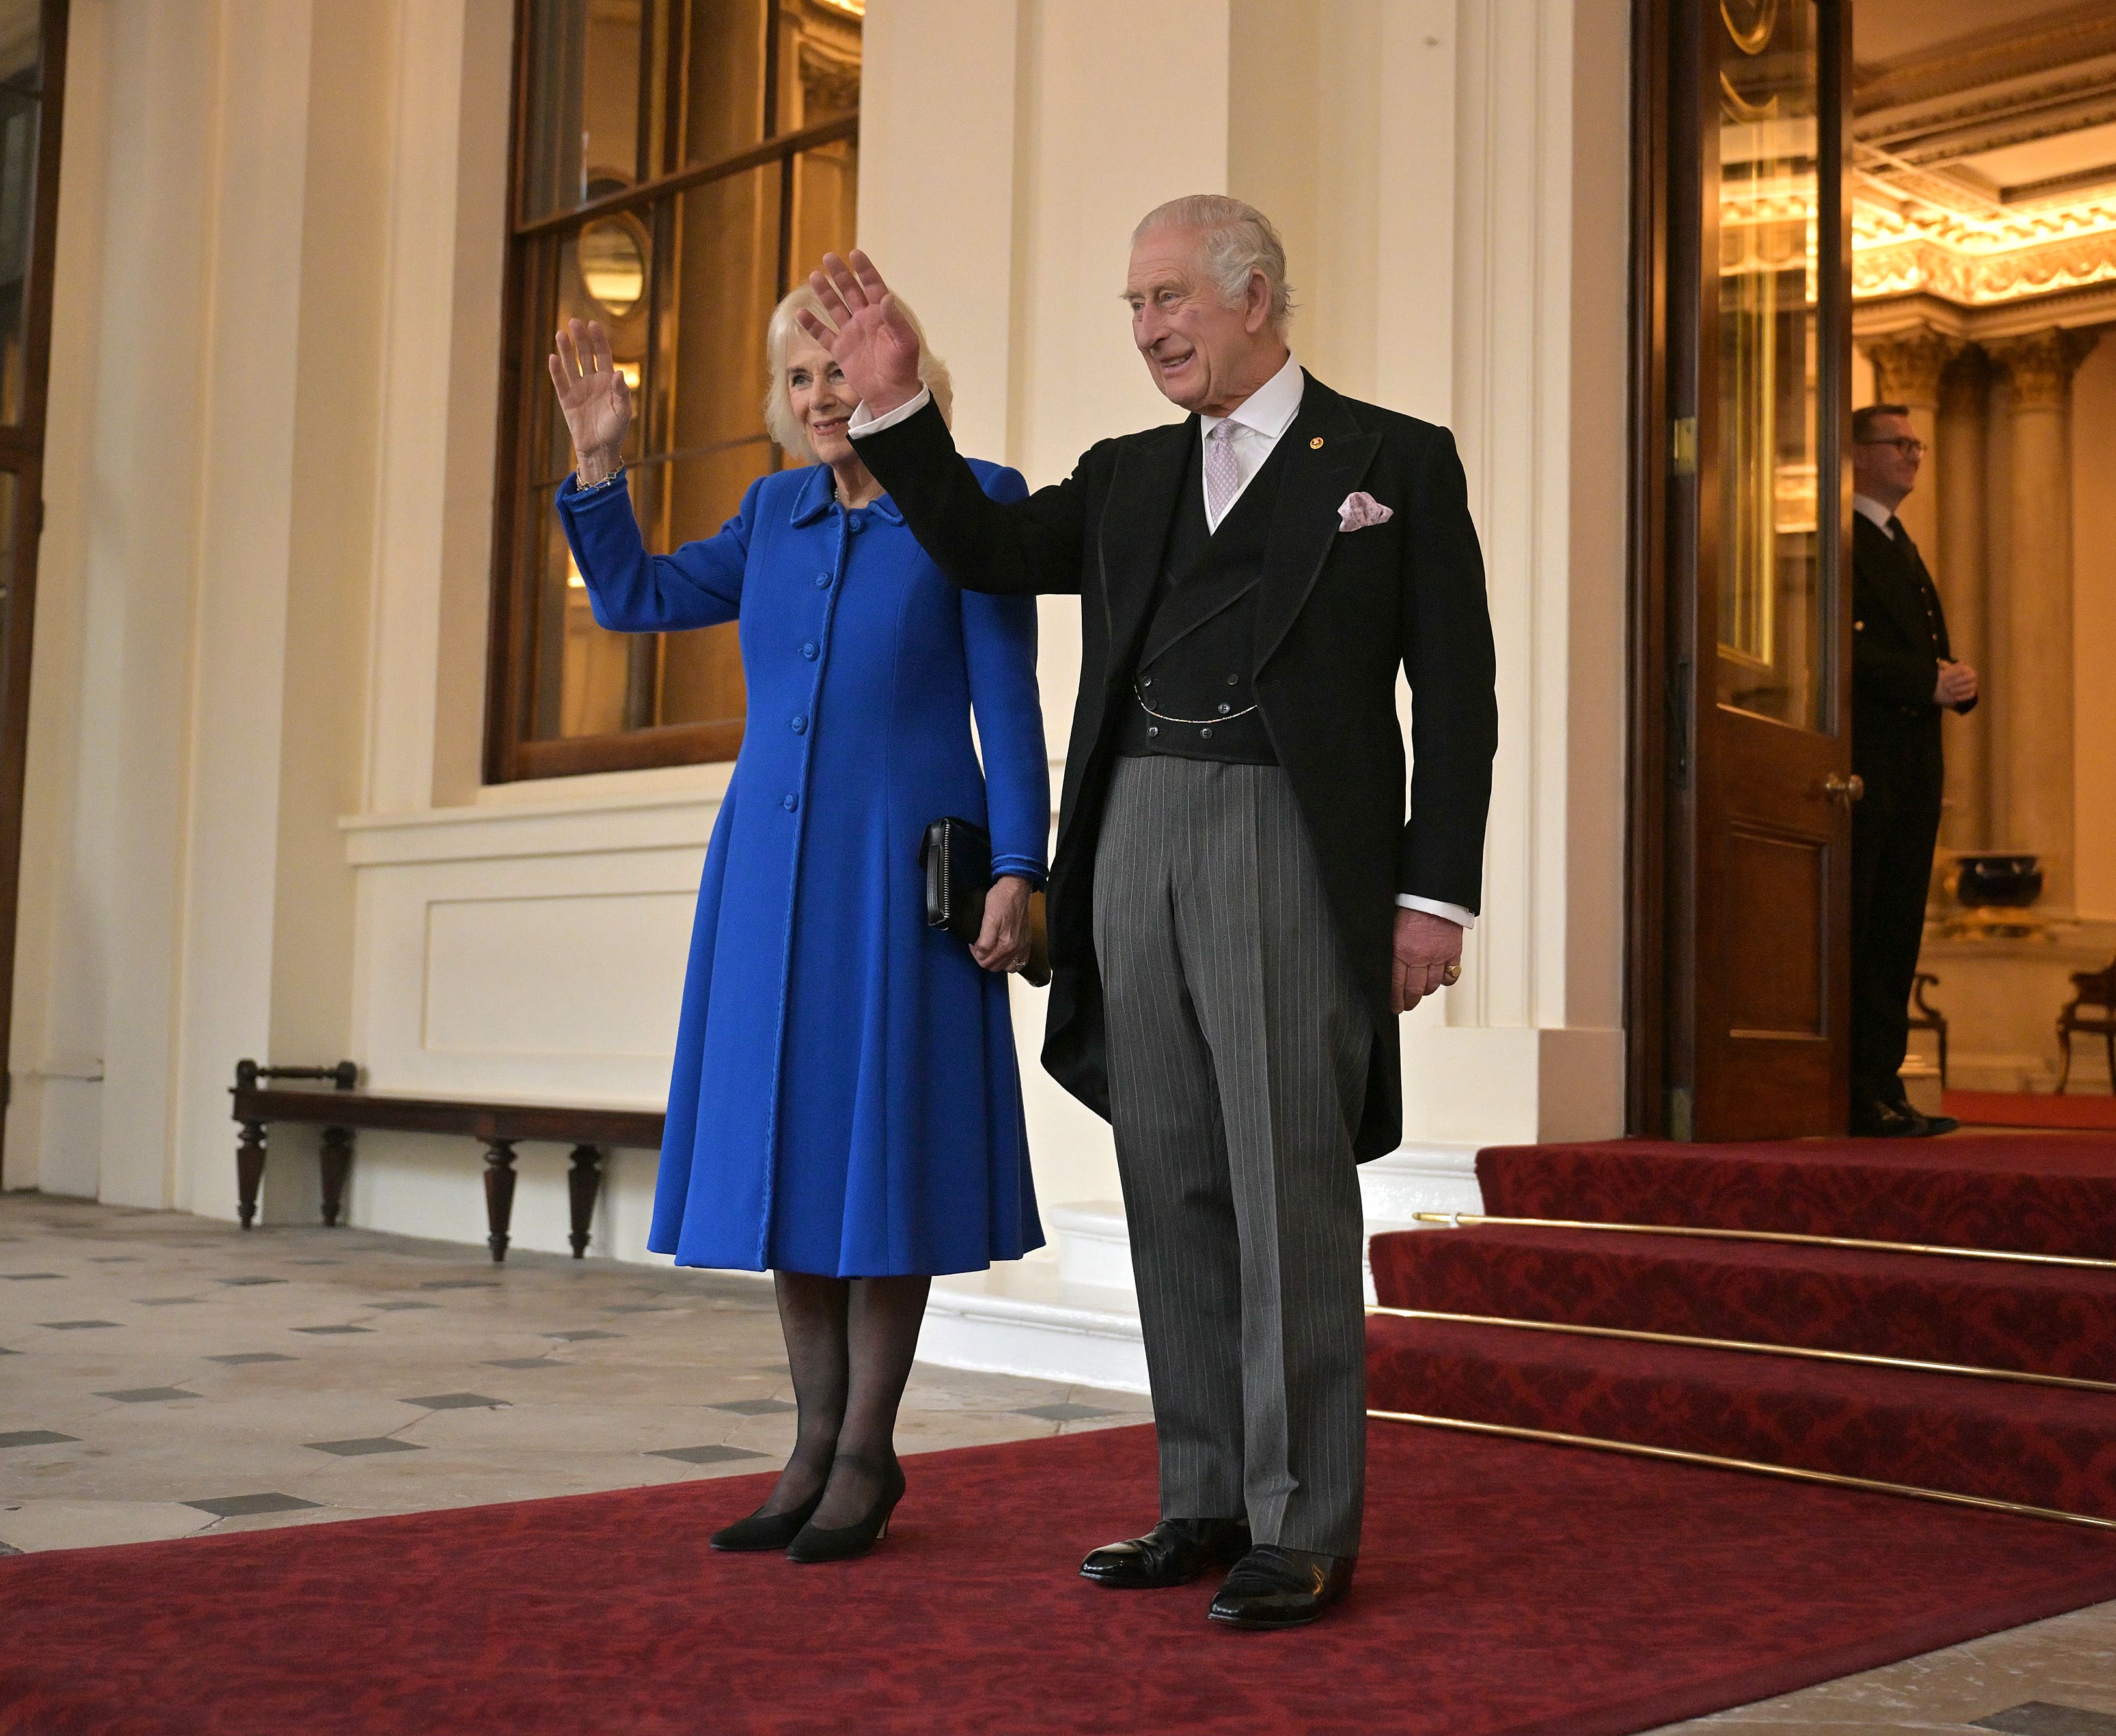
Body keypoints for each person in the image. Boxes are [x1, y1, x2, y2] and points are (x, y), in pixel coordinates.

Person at [803, 195, 1498, 1629]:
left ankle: (1304, 1521)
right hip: (1131, 845)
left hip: (1288, 846)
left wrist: (1429, 898)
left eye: (1168, 299)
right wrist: (893, 403)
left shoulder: (1390, 461)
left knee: (1284, 1182)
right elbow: (985, 551)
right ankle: (1203, 1496)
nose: (1147, 330)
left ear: (1254, 295)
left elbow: (1459, 700)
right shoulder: (1123, 477)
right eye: (1131, 307)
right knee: (1170, 1176)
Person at [546, 289, 1049, 1564]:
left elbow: (1012, 702)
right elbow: (637, 599)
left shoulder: (969, 494)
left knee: (882, 1149)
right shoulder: (770, 513)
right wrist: (600, 462)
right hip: (771, 878)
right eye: (801, 377)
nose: (822, 396)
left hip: (902, 876)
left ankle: (868, 1450)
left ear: (895, 369)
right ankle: (809, 1442)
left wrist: (1020, 865)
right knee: (798, 1151)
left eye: (839, 369)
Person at [1849, 404, 1977, 1138]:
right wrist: (1920, 682)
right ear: (1858, 454)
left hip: (1912, 768)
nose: (1912, 456)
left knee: (1898, 931)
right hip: (1869, 765)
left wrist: (1954, 680)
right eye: (1898, 444)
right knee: (1865, 930)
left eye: (1917, 445)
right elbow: (1842, 649)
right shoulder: (1848, 540)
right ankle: (1858, 1089)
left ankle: (1885, 1083)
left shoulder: (1897, 541)